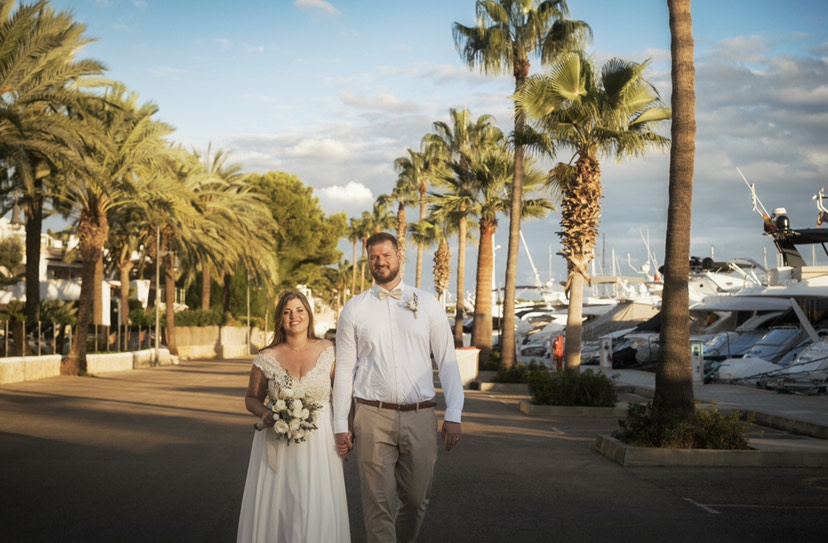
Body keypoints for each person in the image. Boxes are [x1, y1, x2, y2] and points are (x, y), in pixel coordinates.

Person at [333, 232, 464, 543]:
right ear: (368, 262)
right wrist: (340, 423)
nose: (380, 261)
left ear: (398, 257)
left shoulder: (427, 304)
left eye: (386, 255)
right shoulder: (354, 310)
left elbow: (446, 361)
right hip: (371, 415)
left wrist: (454, 412)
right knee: (376, 504)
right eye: (374, 257)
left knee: (417, 500)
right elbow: (345, 370)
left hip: (420, 415)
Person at [237, 290, 350, 543]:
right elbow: (251, 398)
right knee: (283, 507)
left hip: (321, 443)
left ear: (308, 315)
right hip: (278, 442)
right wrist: (266, 413)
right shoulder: (266, 357)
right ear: (280, 319)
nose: (294, 316)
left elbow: (344, 394)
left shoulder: (328, 350)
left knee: (317, 504)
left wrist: (347, 429)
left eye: (299, 310)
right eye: (287, 312)